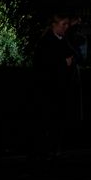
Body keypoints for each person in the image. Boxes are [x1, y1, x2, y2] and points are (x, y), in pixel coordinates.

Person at [33, 13, 79, 158]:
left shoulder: (64, 40)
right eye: (63, 24)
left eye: (67, 25)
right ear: (54, 24)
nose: (65, 27)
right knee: (48, 119)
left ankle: (54, 146)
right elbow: (43, 64)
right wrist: (63, 63)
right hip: (49, 88)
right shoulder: (46, 42)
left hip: (61, 88)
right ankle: (45, 148)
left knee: (58, 119)